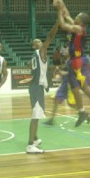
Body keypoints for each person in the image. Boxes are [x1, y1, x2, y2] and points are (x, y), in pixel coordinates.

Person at [53, 0, 90, 129]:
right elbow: (66, 14)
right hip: (73, 61)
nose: (75, 16)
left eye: (77, 16)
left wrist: (57, 11)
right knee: (75, 88)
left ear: (81, 20)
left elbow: (63, 24)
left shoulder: (79, 29)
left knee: (84, 87)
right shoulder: (78, 27)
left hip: (78, 61)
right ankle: (83, 112)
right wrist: (61, 3)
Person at [25, 22, 59, 154]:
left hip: (36, 86)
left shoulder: (33, 57)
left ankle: (34, 138)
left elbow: (30, 67)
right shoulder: (40, 52)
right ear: (34, 46)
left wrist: (43, 81)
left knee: (37, 114)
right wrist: (57, 23)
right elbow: (50, 36)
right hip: (36, 87)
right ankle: (30, 145)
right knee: (35, 115)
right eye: (37, 41)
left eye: (40, 41)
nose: (40, 42)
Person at [44, 49, 90, 126]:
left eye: (66, 51)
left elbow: (71, 73)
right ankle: (51, 120)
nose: (64, 51)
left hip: (70, 84)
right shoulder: (66, 60)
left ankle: (86, 114)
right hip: (65, 84)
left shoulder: (73, 61)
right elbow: (62, 69)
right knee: (56, 100)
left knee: (70, 104)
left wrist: (61, 72)